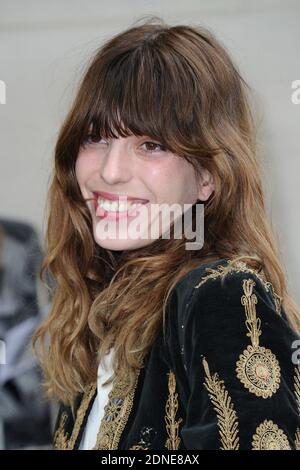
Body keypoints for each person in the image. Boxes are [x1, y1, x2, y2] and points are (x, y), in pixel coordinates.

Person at [32, 18, 300, 450]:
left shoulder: (222, 293)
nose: (109, 172)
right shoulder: (98, 312)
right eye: (95, 137)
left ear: (208, 176)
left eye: (151, 145)